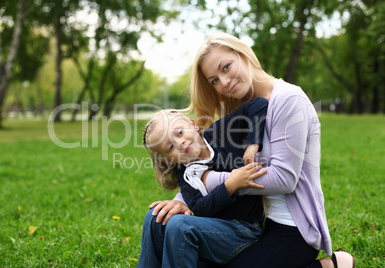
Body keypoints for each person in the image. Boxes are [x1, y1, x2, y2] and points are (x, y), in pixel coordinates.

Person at [144, 32, 355, 268]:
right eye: (214, 80)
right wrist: (182, 200)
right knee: (161, 221)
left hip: (291, 228)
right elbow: (202, 165)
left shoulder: (289, 100)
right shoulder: (238, 106)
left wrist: (221, 182)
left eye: (226, 67)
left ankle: (328, 266)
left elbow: (285, 179)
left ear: (242, 54)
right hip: (253, 221)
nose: (223, 82)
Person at [138, 97, 269, 267]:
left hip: (244, 229)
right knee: (154, 215)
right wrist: (229, 186)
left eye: (179, 133)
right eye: (170, 148)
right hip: (213, 231)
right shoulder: (184, 172)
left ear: (192, 124)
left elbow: (258, 104)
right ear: (166, 161)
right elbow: (200, 209)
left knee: (179, 226)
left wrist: (252, 144)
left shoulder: (221, 132)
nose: (180, 143)